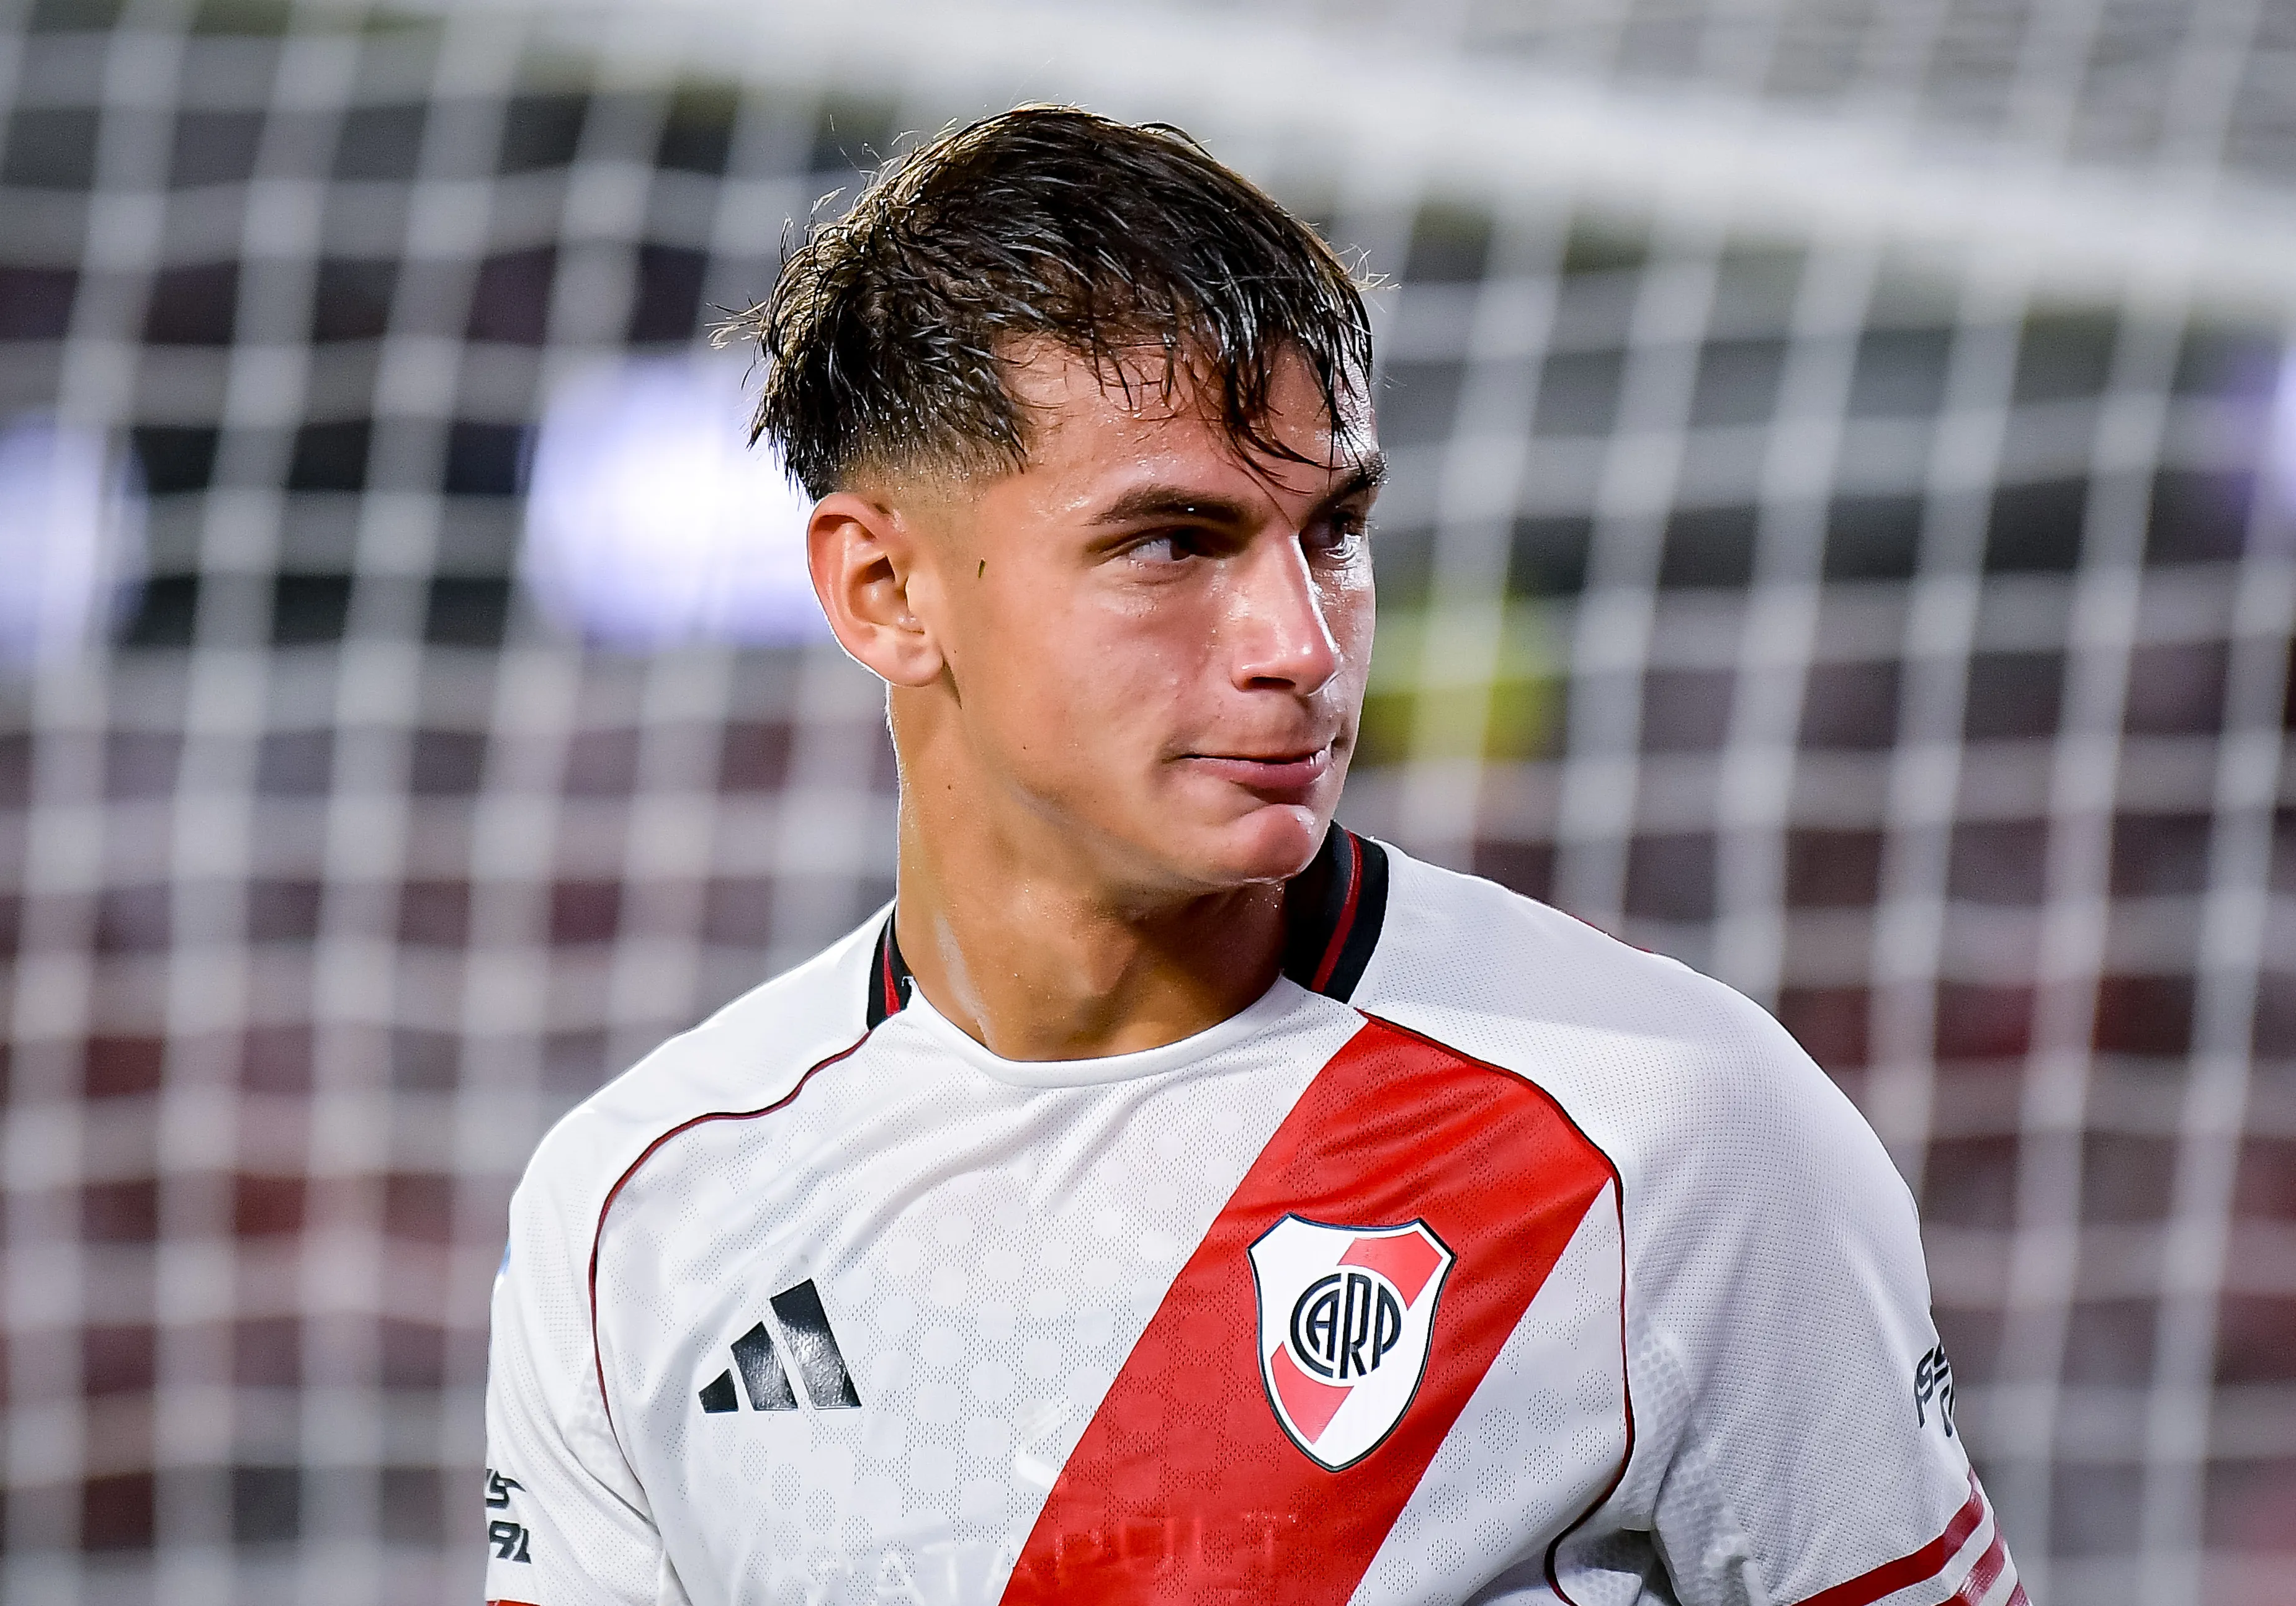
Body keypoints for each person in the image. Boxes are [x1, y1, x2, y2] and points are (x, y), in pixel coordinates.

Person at [482, 107, 2024, 1606]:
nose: (1302, 645)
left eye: (1333, 531)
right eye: (1172, 543)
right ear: (884, 589)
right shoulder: (635, 1209)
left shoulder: (1664, 1131)